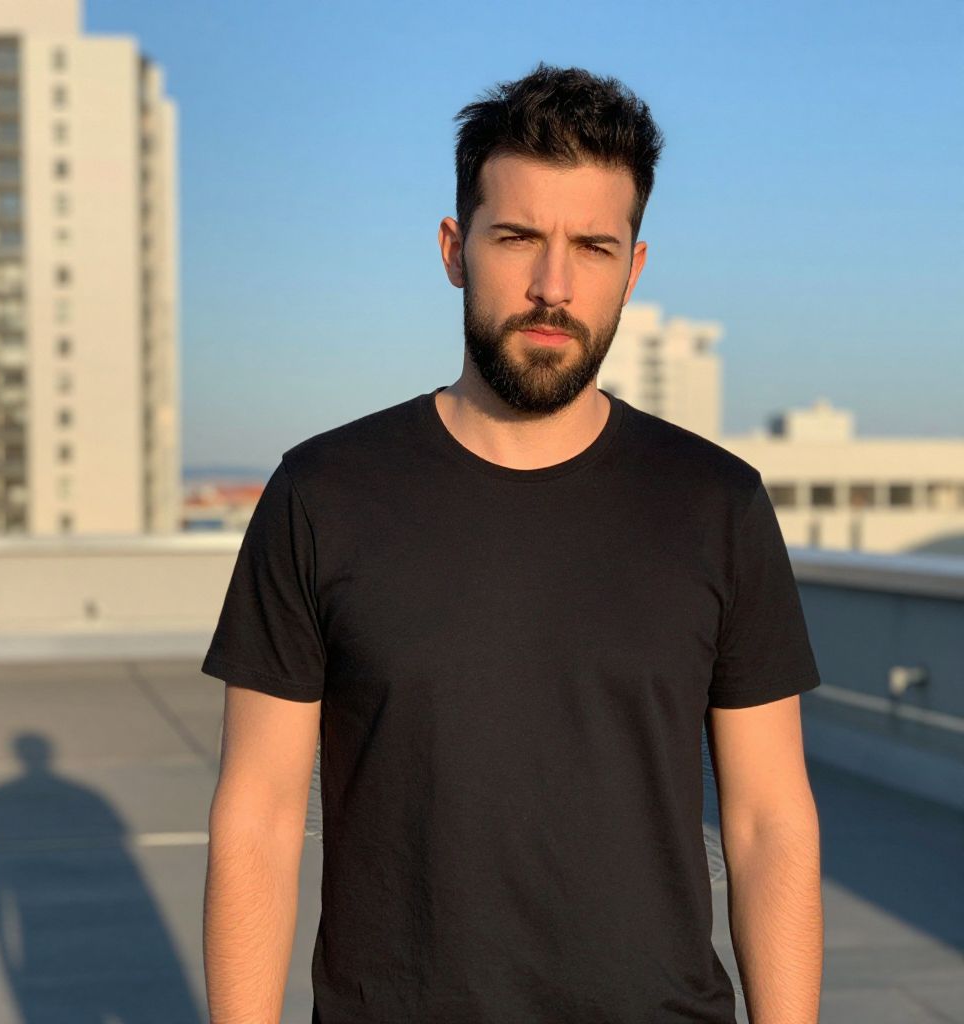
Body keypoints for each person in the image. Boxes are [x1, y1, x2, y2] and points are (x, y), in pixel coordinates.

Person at [201, 63, 824, 1024]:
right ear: (455, 248)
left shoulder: (716, 504)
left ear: (636, 267)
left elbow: (769, 821)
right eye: (518, 237)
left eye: (593, 246)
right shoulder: (322, 494)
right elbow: (259, 815)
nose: (553, 286)